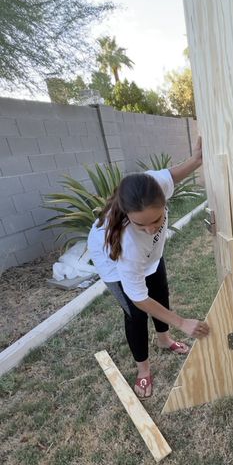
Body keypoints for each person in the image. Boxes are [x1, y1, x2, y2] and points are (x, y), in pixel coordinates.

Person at [87, 137, 210, 398]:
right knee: (136, 314)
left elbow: (172, 176)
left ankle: (164, 340)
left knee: (160, 290)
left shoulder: (153, 186)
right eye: (140, 224)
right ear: (126, 214)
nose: (151, 228)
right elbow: (139, 297)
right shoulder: (126, 244)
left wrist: (195, 160)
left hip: (150, 255)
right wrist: (182, 322)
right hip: (113, 263)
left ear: (162, 201)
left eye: (156, 220)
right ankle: (143, 370)